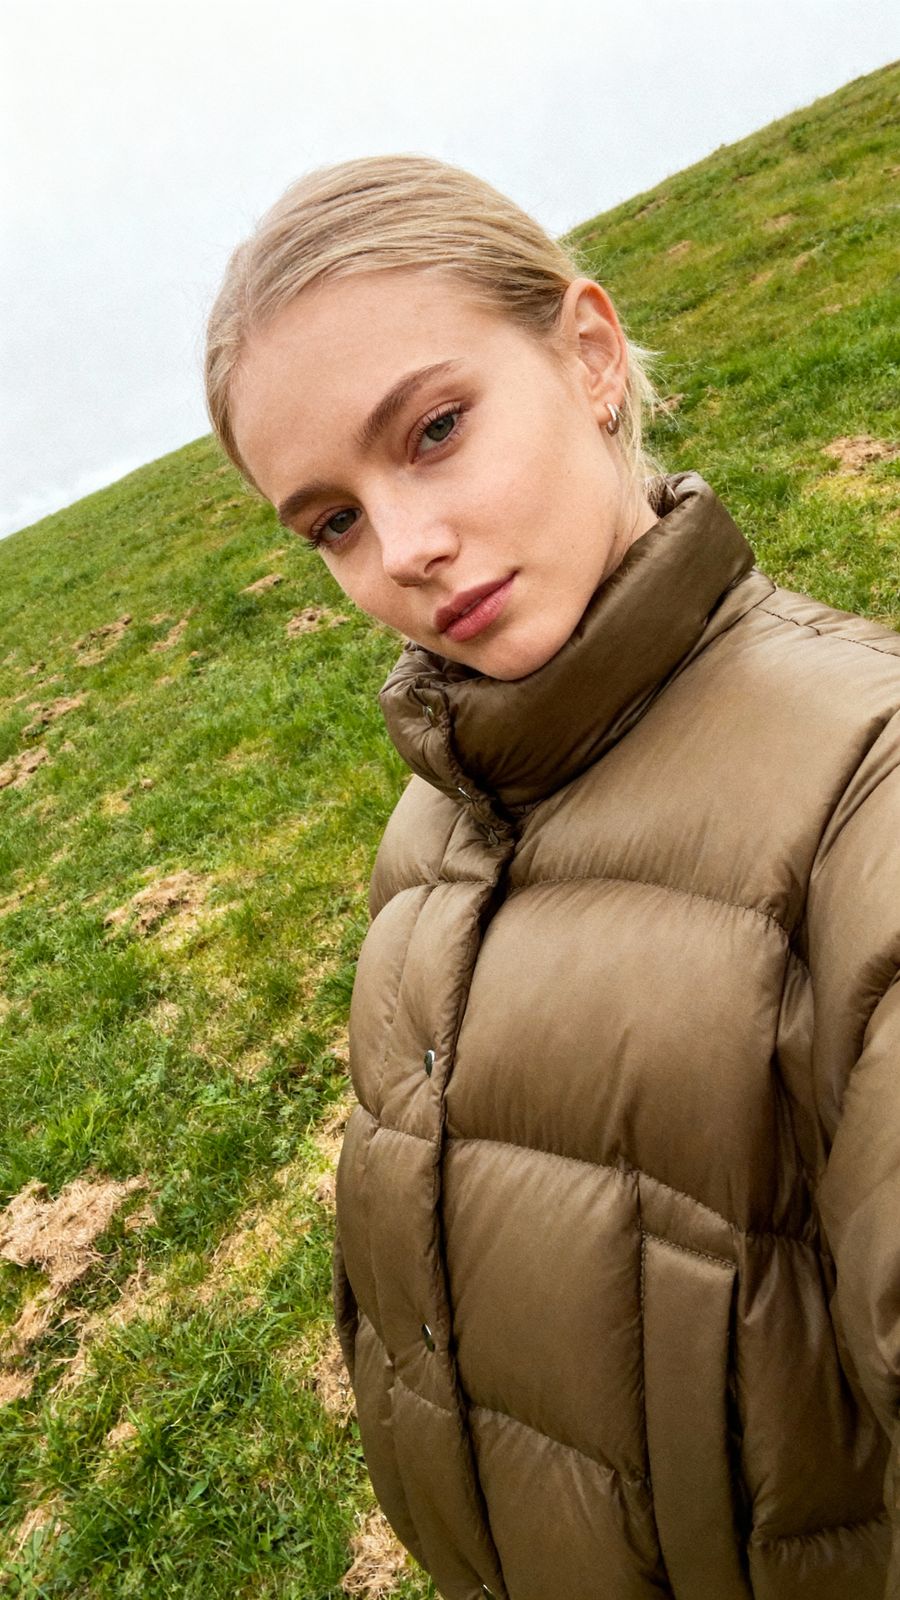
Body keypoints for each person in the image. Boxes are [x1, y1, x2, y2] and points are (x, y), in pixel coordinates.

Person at [205, 155, 899, 1600]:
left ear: (588, 355)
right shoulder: (429, 836)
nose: (406, 551)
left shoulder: (867, 791)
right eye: (330, 520)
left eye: (436, 430)